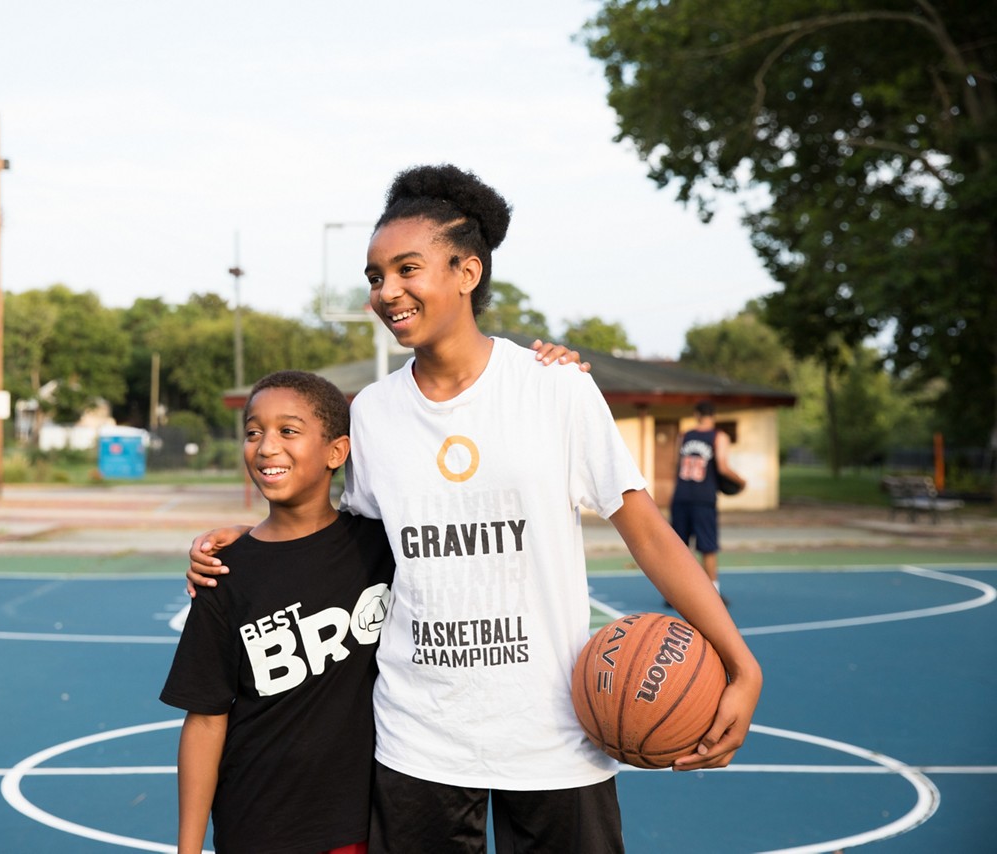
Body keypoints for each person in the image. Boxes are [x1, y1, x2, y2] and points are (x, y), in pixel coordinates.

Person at [190, 164, 762, 853]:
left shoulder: (556, 390)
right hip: (418, 740)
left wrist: (740, 662)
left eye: (407, 269)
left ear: (466, 271)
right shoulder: (371, 415)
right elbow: (347, 546)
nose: (387, 291)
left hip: (554, 736)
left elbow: (647, 531)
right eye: (375, 276)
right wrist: (252, 543)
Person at [160, 370, 396, 854]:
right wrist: (188, 848)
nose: (266, 447)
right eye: (253, 432)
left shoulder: (380, 546)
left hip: (361, 822)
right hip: (258, 823)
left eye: (288, 431)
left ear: (337, 451)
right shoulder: (224, 572)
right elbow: (205, 719)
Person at [669, 400, 747, 598]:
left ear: (696, 414)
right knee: (708, 547)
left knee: (679, 548)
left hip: (681, 496)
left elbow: (675, 465)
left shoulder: (684, 436)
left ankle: (676, 594)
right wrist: (741, 482)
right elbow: (721, 466)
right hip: (704, 499)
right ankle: (713, 594)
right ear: (713, 415)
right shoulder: (718, 437)